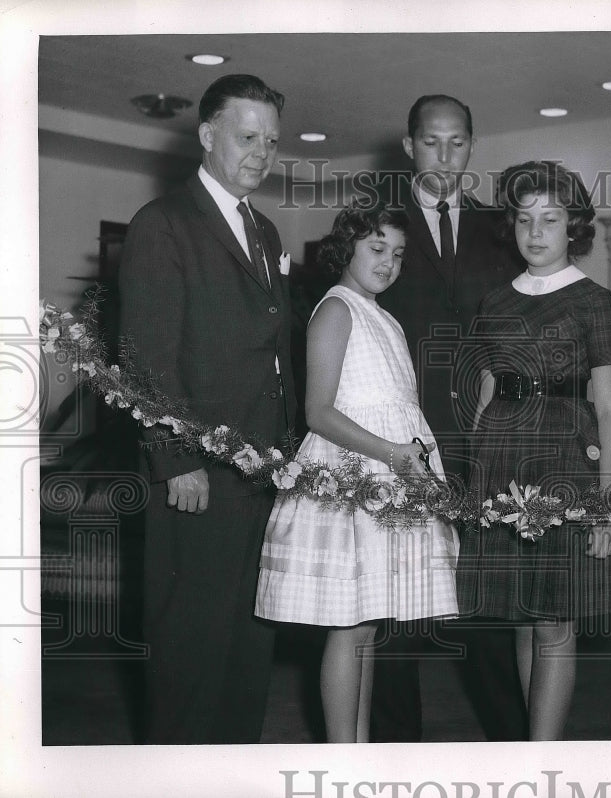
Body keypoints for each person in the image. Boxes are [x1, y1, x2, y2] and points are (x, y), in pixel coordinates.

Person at [117, 74, 297, 743]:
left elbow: (277, 353)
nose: (261, 152)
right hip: (198, 478)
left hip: (261, 470)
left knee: (249, 646)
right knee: (190, 651)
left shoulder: (266, 228)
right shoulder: (163, 224)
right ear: (207, 135)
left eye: (271, 141)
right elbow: (145, 358)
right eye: (247, 137)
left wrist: (289, 453)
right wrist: (175, 460)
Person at [254, 202, 459, 743]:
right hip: (352, 476)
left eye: (397, 254)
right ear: (347, 248)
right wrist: (393, 454)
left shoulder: (383, 316)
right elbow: (319, 411)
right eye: (376, 249)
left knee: (368, 625)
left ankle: (360, 751)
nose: (388, 262)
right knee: (348, 626)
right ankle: (345, 755)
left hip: (392, 470)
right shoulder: (336, 310)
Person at [457, 160, 611, 740]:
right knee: (520, 616)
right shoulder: (493, 302)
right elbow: (486, 392)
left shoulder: (594, 301)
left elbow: (610, 408)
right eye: (524, 220)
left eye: (550, 219)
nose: (535, 233)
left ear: (574, 227)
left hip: (566, 456)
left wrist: (606, 501)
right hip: (502, 456)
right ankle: (528, 758)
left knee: (555, 621)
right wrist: (475, 483)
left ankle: (542, 762)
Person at [374, 94, 527, 742]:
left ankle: (512, 749)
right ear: (409, 147)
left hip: (480, 439)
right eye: (431, 142)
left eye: (457, 142)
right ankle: (393, 757)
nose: (445, 155)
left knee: (486, 603)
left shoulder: (500, 229)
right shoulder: (377, 225)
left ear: (471, 145)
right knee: (398, 607)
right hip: (399, 439)